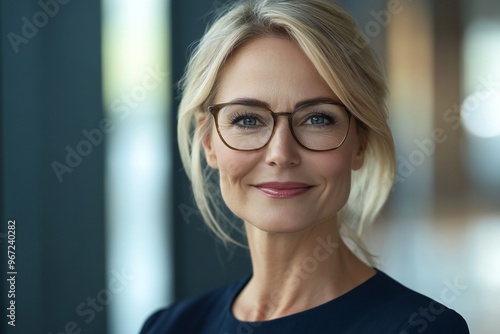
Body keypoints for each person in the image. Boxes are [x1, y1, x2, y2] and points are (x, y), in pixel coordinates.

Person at [141, 0, 469, 333]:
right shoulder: (170, 327)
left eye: (317, 118)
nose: (281, 153)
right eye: (247, 120)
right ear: (209, 142)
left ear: (361, 142)